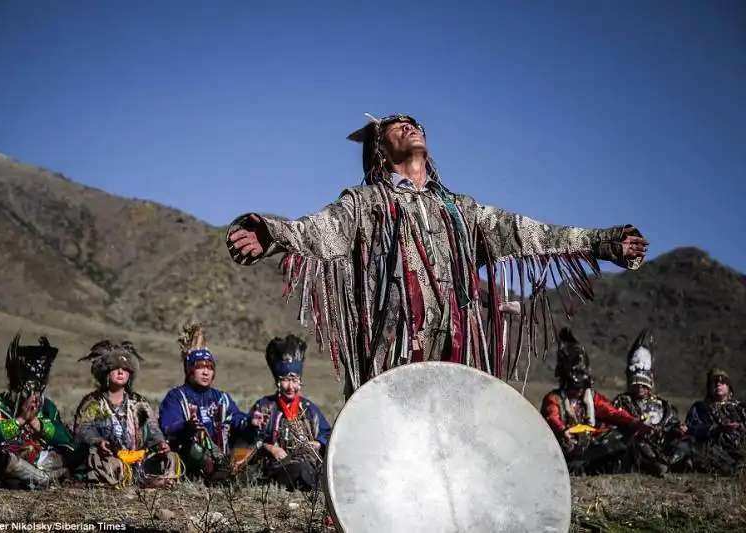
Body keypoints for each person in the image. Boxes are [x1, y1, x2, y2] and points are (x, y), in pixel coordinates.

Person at [226, 113, 649, 397]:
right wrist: (273, 233)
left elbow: (530, 232)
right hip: (390, 352)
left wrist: (604, 242)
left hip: (454, 349)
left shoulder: (462, 211)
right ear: (379, 148)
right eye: (396, 126)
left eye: (413, 123)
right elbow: (319, 230)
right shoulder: (365, 202)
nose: (409, 127)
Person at [0, 333, 74, 488]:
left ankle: (39, 477)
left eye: (38, 391)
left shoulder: (47, 408)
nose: (33, 396)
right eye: (27, 391)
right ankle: (42, 479)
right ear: (16, 389)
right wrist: (21, 420)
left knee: (77, 450)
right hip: (3, 465)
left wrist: (37, 423)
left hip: (42, 462)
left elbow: (65, 439)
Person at [541, 328, 650, 475]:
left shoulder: (591, 398)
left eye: (582, 386)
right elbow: (551, 418)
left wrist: (633, 422)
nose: (579, 390)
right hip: (564, 449)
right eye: (575, 386)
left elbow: (611, 412)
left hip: (590, 446)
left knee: (623, 434)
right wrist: (562, 432)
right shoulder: (554, 399)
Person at [159, 322, 258, 483]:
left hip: (220, 455)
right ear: (189, 370)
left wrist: (250, 422)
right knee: (196, 450)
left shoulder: (221, 398)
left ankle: (229, 473)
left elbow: (236, 419)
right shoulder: (177, 396)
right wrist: (187, 427)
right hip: (190, 455)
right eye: (200, 367)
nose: (206, 372)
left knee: (252, 443)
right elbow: (168, 426)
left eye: (210, 368)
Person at [73, 340, 181, 488]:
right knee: (103, 462)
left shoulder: (139, 403)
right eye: (115, 368)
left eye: (124, 369)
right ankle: (142, 480)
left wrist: (160, 444)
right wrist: (98, 442)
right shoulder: (94, 403)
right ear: (105, 372)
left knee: (170, 458)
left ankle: (151, 478)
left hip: (138, 457)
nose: (120, 372)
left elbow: (152, 430)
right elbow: (82, 429)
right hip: (110, 457)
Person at [249, 334, 331, 491]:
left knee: (311, 470)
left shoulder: (308, 408)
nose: (290, 386)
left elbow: (327, 433)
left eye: (294, 380)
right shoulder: (265, 406)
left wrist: (318, 443)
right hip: (276, 468)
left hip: (309, 464)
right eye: (286, 380)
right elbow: (250, 437)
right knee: (300, 470)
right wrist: (270, 448)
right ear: (278, 382)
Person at [611, 328, 693, 475]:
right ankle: (655, 466)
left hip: (660, 446)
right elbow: (612, 425)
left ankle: (670, 463)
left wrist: (678, 429)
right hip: (636, 446)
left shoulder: (663, 405)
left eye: (644, 385)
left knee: (685, 443)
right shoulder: (621, 402)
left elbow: (671, 426)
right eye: (637, 384)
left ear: (650, 386)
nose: (640, 387)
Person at [685, 367, 746, 475]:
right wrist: (717, 429)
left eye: (722, 382)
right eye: (715, 382)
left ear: (729, 387)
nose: (718, 384)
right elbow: (691, 430)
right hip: (716, 451)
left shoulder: (740, 408)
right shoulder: (700, 408)